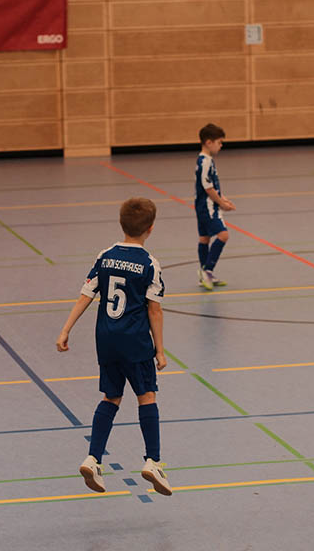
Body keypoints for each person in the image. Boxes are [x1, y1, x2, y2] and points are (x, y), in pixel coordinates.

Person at [56, 197, 172, 496]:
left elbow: (86, 294)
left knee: (111, 397)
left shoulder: (105, 256)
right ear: (151, 228)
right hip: (134, 342)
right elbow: (154, 311)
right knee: (146, 395)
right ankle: (153, 461)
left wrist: (66, 329)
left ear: (122, 224)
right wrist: (159, 349)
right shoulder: (149, 264)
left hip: (105, 340)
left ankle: (93, 458)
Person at [195, 123, 236, 291]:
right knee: (223, 235)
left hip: (203, 206)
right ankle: (208, 270)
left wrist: (224, 199)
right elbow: (208, 188)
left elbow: (212, 186)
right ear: (208, 142)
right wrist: (221, 204)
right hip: (208, 207)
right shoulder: (205, 162)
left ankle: (205, 273)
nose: (221, 145)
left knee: (204, 238)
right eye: (219, 142)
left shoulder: (206, 160)